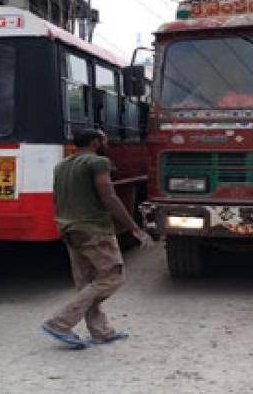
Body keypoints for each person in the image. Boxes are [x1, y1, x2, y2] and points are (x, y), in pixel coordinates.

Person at [41, 130, 154, 349]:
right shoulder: (98, 162)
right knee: (112, 277)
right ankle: (60, 322)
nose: (107, 143)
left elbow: (57, 197)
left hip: (69, 229)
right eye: (104, 140)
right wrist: (134, 228)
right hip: (94, 230)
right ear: (95, 142)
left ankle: (101, 331)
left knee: (87, 283)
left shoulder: (62, 166)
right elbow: (109, 197)